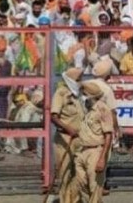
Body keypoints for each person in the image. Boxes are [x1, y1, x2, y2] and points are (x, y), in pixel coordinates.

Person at [74, 82, 113, 203]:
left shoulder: (102, 108)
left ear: (91, 95)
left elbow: (108, 135)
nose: (82, 96)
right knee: (81, 184)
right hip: (81, 151)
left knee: (94, 186)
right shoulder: (85, 109)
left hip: (96, 151)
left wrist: (102, 157)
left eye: (84, 94)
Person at [51, 67, 85, 203]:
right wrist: (68, 128)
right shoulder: (61, 93)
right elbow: (54, 116)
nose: (80, 82)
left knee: (79, 174)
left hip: (80, 140)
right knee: (65, 174)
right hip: (65, 140)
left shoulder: (79, 95)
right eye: (78, 79)